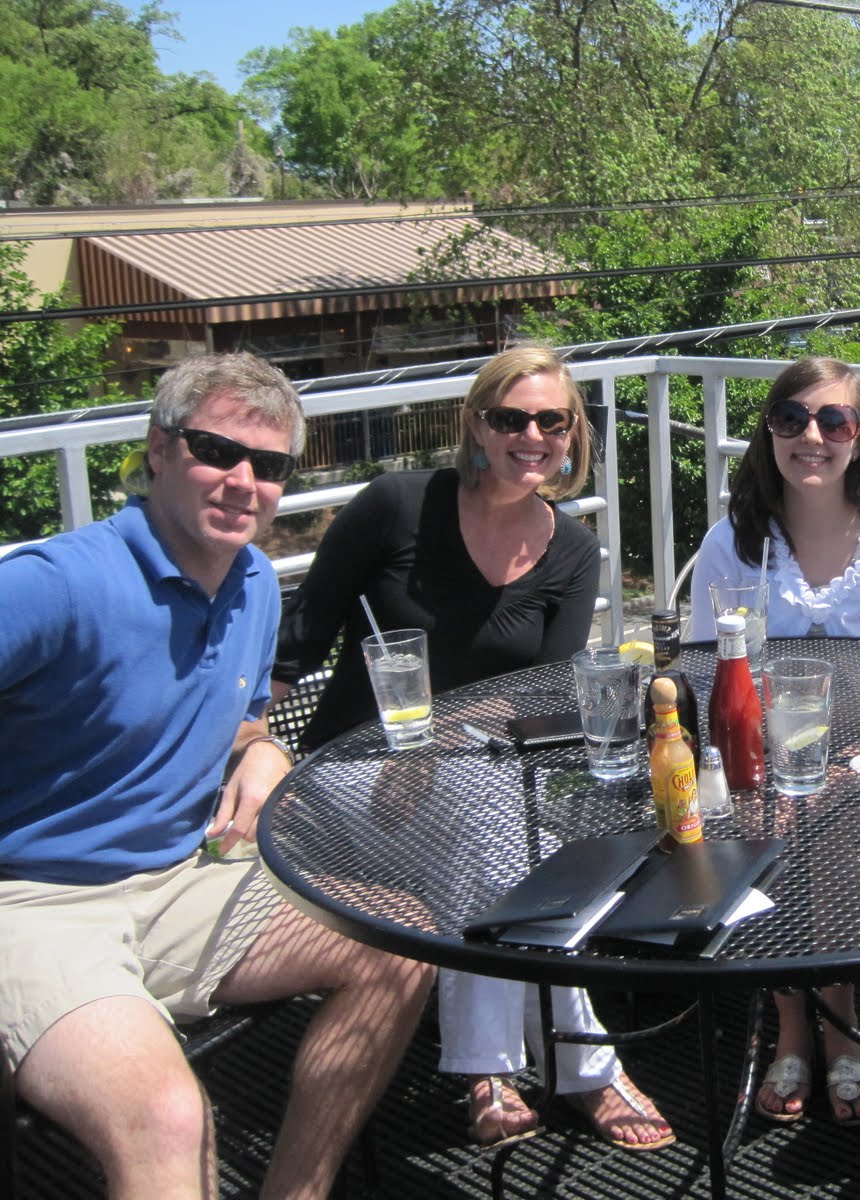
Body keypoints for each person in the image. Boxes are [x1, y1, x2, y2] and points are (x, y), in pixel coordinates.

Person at [0, 352, 435, 1200]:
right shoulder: (55, 587)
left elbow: (230, 713)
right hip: (34, 903)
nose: (243, 482)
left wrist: (262, 748)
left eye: (268, 466)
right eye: (216, 451)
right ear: (158, 449)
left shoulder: (252, 585)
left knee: (401, 944)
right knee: (169, 1119)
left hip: (180, 880)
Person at [272, 346, 673, 1153]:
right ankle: (586, 1067)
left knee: (488, 822)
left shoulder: (572, 551)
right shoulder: (394, 506)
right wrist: (241, 747)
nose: (530, 435)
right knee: (503, 832)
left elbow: (548, 694)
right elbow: (296, 647)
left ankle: (490, 1068)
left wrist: (447, 737)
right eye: (509, 417)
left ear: (573, 433)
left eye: (550, 420)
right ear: (475, 424)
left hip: (475, 771)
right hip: (349, 771)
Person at [688, 355, 860, 1129]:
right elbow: (712, 669)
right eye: (792, 419)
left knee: (819, 821)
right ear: (769, 432)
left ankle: (822, 1024)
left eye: (833, 420)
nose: (812, 436)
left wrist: (859, 757)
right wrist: (760, 770)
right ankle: (806, 1024)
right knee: (763, 817)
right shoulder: (734, 543)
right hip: (765, 763)